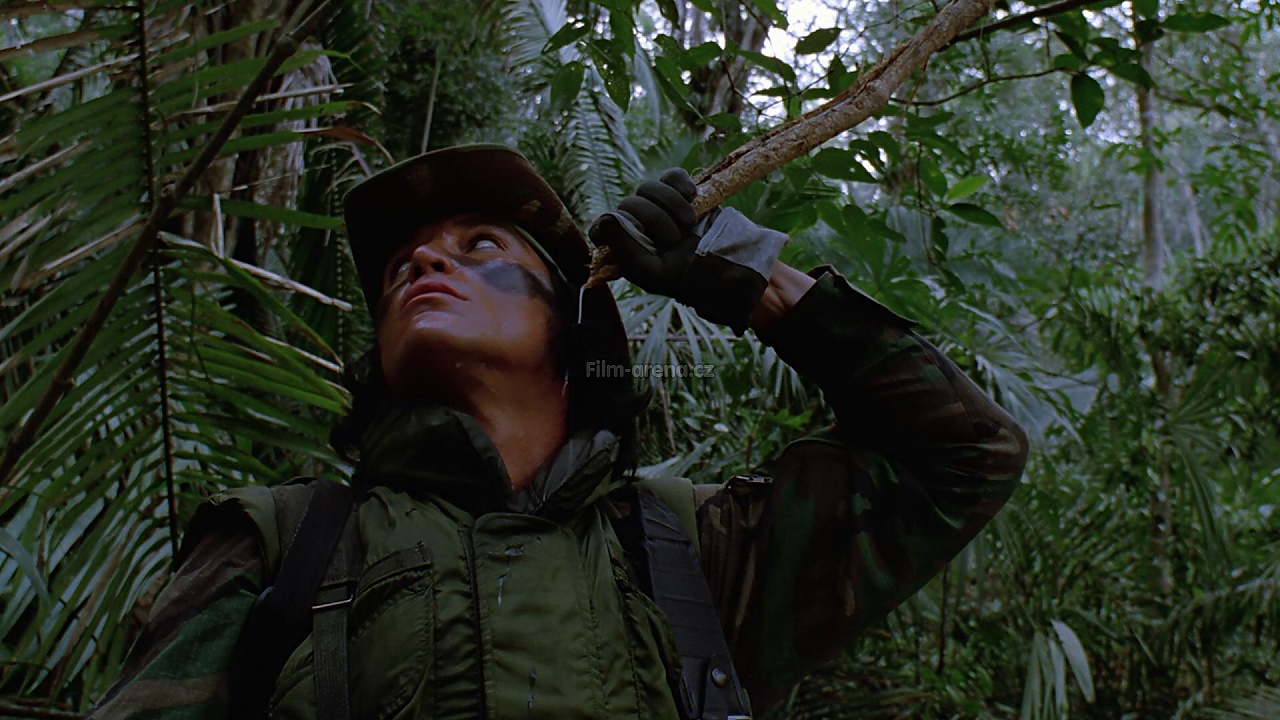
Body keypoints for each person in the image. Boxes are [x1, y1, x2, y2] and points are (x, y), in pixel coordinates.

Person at [87, 144, 1028, 719]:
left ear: (570, 319)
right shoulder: (282, 545)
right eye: (403, 265)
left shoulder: (692, 552)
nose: (423, 260)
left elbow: (963, 460)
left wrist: (745, 275)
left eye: (479, 246)